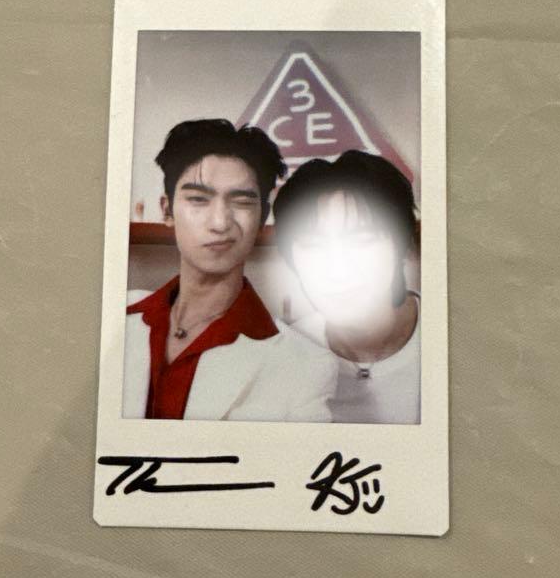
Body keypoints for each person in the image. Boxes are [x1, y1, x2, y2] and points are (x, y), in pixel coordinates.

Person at [122, 118, 337, 422]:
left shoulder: (304, 365)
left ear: (262, 218)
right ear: (167, 210)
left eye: (241, 202)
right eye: (199, 199)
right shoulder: (114, 315)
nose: (220, 222)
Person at [272, 150, 421, 424]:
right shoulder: (283, 357)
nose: (337, 268)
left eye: (361, 240)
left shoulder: (452, 339)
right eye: (313, 244)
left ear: (402, 244)